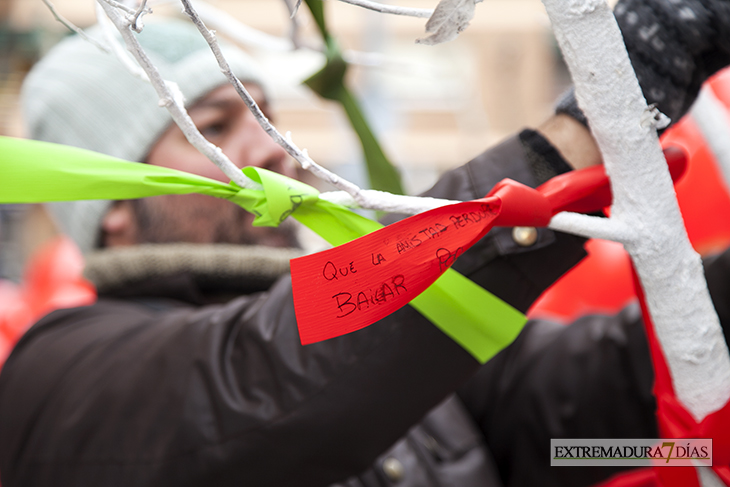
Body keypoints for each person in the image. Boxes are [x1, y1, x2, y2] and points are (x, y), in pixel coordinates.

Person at [1, 1, 729, 486]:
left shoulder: (413, 351)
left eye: (266, 115)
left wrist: (682, 439)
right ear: (116, 206)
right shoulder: (61, 377)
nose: (274, 149)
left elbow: (580, 416)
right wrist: (578, 132)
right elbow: (287, 364)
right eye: (216, 128)